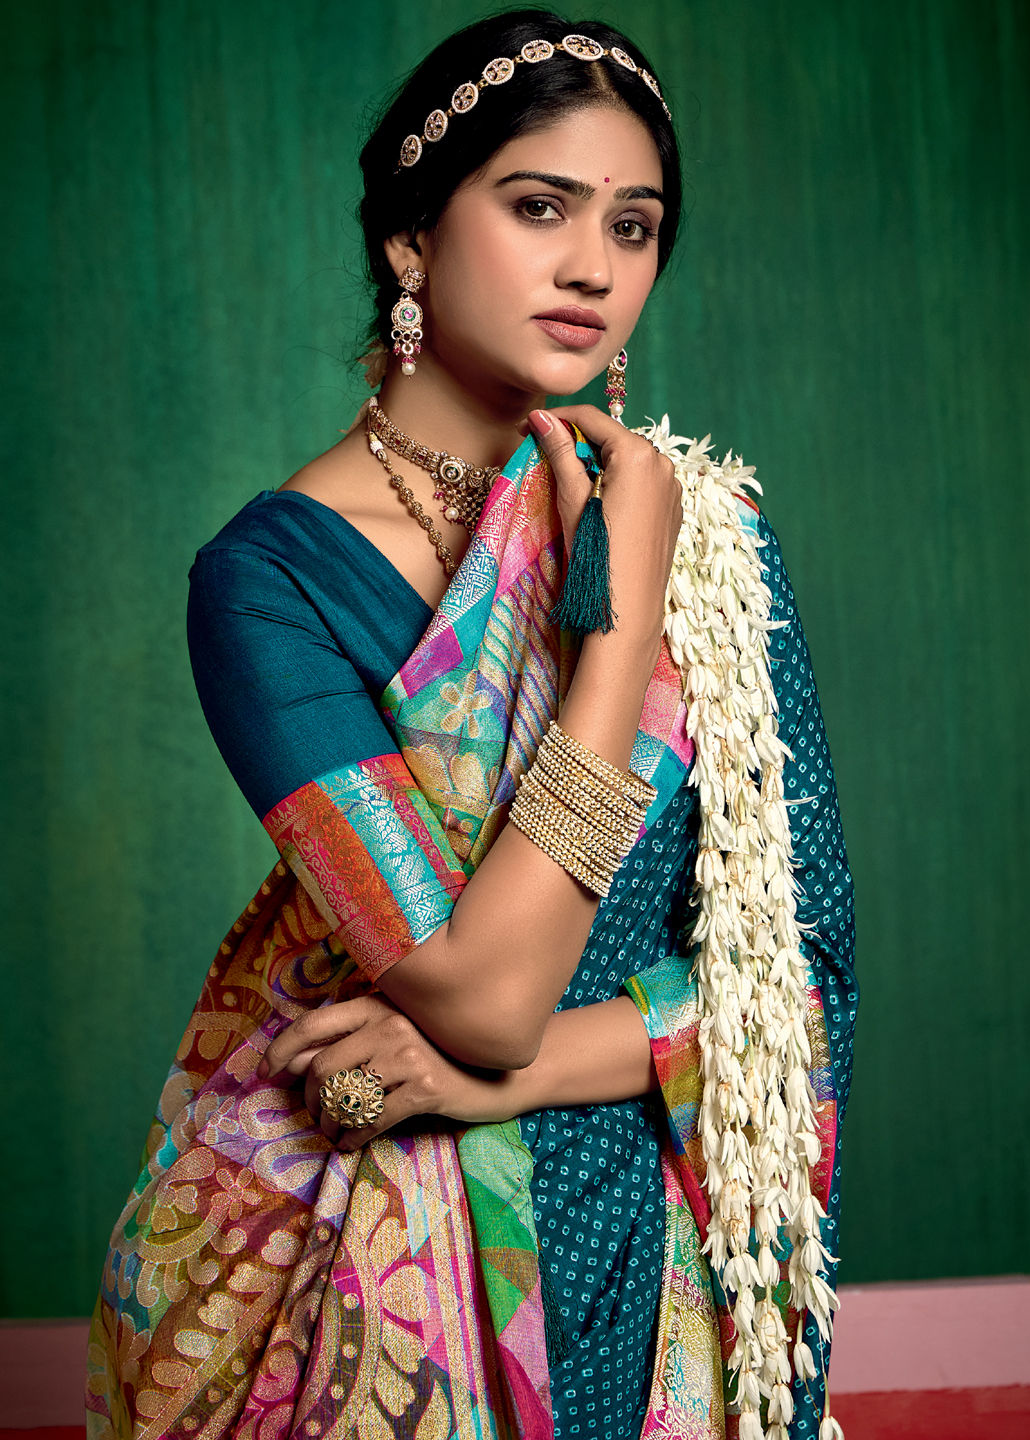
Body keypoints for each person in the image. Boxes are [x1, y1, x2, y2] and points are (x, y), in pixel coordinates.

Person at [87, 12, 857, 1440]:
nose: (594, 267)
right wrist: (613, 634)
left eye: (634, 225)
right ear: (409, 240)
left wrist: (489, 1077)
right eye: (539, 206)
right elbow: (483, 987)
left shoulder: (711, 544)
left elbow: (795, 991)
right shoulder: (270, 584)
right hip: (354, 1247)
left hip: (645, 1240)